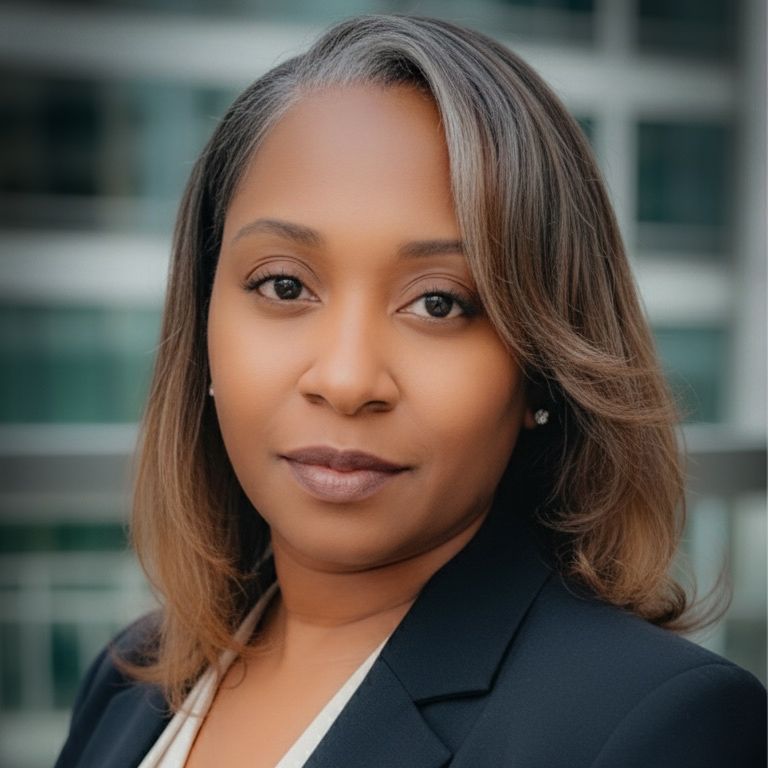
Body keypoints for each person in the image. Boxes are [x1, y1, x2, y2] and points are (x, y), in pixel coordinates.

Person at [55, 14, 765, 768]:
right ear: (203, 323)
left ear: (543, 365)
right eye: (285, 284)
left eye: (439, 302)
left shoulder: (657, 726)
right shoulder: (132, 677)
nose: (347, 379)